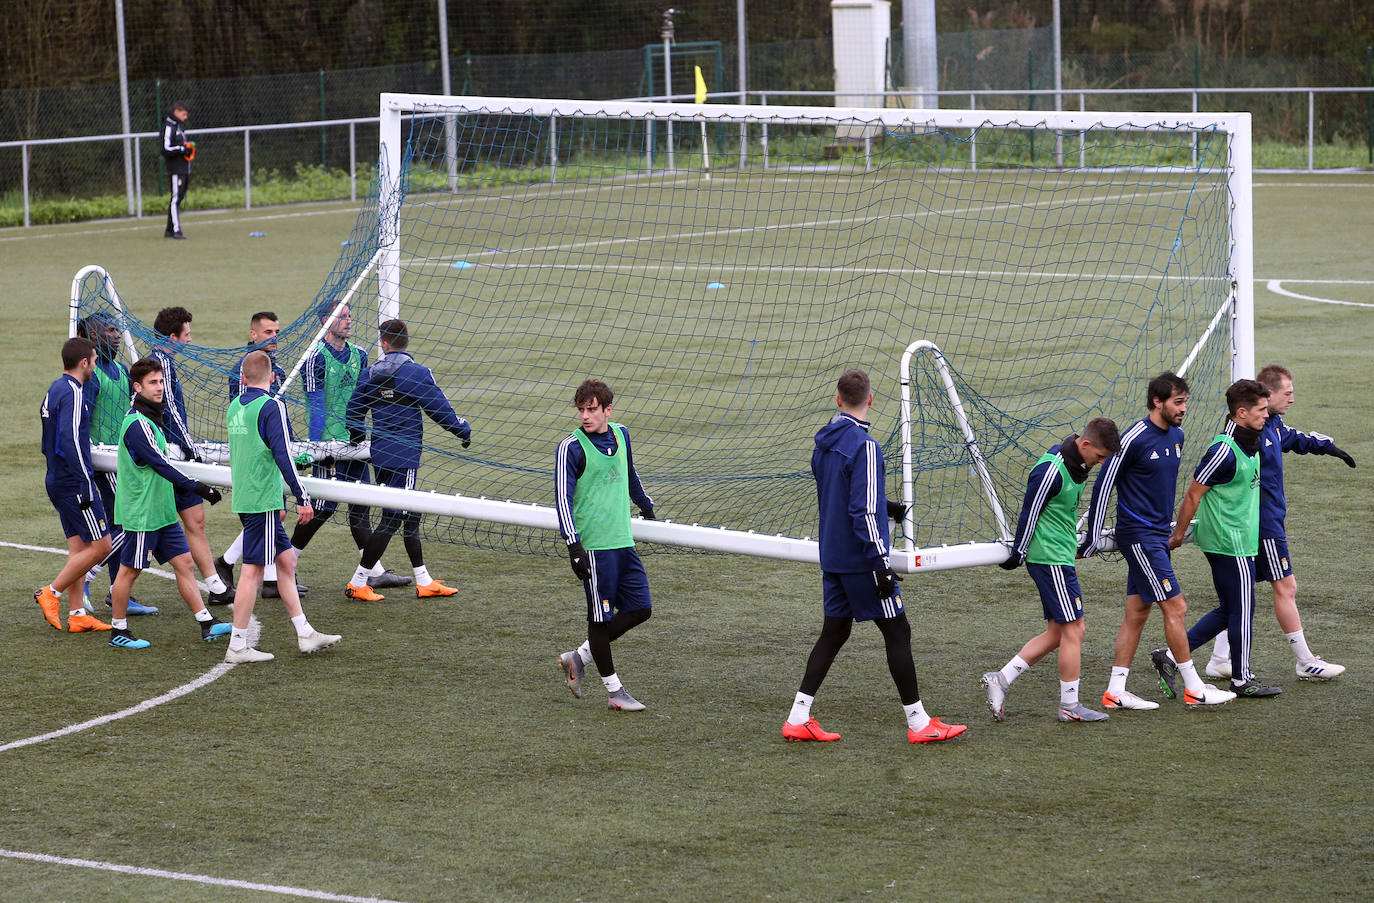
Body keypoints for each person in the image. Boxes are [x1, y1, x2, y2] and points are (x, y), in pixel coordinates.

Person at [781, 369, 966, 744]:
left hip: (832, 557)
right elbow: (861, 512)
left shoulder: (823, 444)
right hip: (860, 561)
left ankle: (798, 716)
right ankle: (918, 723)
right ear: (871, 400)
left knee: (834, 632)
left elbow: (841, 496)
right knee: (897, 631)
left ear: (837, 400)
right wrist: (881, 563)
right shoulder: (866, 447)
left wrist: (885, 506)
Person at [1080, 372, 1235, 708]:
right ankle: (1195, 689)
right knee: (1176, 606)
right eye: (1178, 403)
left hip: (1156, 536)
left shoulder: (1177, 435)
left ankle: (1115, 692)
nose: (1183, 409)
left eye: (1185, 403)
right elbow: (1104, 483)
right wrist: (1092, 536)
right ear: (1157, 401)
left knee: (1137, 611)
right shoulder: (1134, 437)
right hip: (1139, 537)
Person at [1204, 364, 1354, 682]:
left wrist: (1326, 447)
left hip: (1262, 521)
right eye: (1288, 393)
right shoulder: (1249, 433)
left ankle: (1217, 658)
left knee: (1237, 599)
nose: (1293, 399)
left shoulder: (1270, 423)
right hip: (1261, 523)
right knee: (1286, 587)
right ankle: (1305, 660)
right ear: (1268, 394)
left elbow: (1290, 438)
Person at [983, 418, 1121, 723]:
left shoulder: (1077, 465)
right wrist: (1019, 551)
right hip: (1049, 559)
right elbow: (1029, 511)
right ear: (1085, 445)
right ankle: (1069, 706)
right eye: (1099, 457)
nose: (1099, 464)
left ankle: (1000, 679)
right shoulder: (1051, 470)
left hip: (1060, 556)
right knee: (1075, 630)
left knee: (1059, 633)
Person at [1152, 379, 1282, 699]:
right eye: (1261, 410)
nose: (1267, 415)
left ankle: (1168, 656)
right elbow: (1193, 495)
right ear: (1241, 412)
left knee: (1230, 608)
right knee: (1243, 609)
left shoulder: (1250, 439)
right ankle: (1242, 678)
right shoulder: (1222, 451)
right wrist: (1178, 536)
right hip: (1228, 542)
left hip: (1241, 539)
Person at [222, 351, 340, 663]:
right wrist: (302, 497)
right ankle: (237, 645)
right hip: (263, 499)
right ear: (273, 377)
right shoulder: (271, 406)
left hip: (247, 496)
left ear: (243, 379)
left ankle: (305, 633)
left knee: (286, 561)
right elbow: (283, 455)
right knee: (252, 573)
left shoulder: (235, 406)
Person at [107, 357, 232, 649]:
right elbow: (161, 464)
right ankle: (118, 631)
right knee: (130, 571)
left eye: (161, 381)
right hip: (143, 515)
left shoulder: (150, 419)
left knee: (185, 563)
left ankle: (207, 624)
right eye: (152, 382)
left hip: (161, 512)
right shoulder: (137, 425)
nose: (159, 387)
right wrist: (200, 488)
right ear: (137, 387)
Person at [342, 319, 471, 600]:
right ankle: (358, 581)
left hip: (380, 455)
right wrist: (462, 430)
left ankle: (423, 580)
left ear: (384, 343)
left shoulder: (370, 374)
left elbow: (352, 411)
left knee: (410, 513)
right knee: (392, 519)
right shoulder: (416, 374)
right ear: (406, 341)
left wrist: (356, 435)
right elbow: (440, 410)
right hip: (405, 457)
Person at [287, 302, 410, 589]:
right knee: (322, 507)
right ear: (325, 321)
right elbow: (316, 407)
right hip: (328, 446)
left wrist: (362, 433)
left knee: (360, 506)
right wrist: (317, 447)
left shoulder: (360, 355)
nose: (348, 321)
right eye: (342, 317)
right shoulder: (314, 358)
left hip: (355, 442)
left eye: (350, 316)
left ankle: (374, 572)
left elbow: (363, 400)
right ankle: (286, 565)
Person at [554, 379, 657, 712]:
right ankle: (615, 692)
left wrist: (646, 506)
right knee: (599, 620)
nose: (585, 416)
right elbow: (562, 500)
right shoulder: (571, 448)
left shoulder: (622, 434)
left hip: (623, 542)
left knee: (641, 608)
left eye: (592, 409)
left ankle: (578, 658)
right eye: (581, 410)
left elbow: (630, 476)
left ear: (607, 410)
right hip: (594, 549)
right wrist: (574, 547)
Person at [216, 310, 306, 599]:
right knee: (271, 516)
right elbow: (248, 415)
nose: (274, 337)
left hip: (268, 452)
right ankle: (240, 569)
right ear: (253, 334)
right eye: (268, 332)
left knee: (275, 518)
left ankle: (262, 575)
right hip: (259, 460)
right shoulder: (246, 372)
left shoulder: (273, 368)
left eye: (277, 332)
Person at [151, 306, 235, 605]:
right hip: (172, 459)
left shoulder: (161, 361)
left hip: (174, 456)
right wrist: (193, 452)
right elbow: (170, 412)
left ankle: (216, 586)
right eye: (186, 335)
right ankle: (90, 581)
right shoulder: (160, 366)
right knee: (149, 531)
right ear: (172, 337)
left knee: (194, 520)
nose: (190, 340)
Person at [75, 315, 154, 615]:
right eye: (110, 330)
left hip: (121, 459)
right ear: (93, 336)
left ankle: (116, 593)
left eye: (117, 330)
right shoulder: (92, 377)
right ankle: (84, 582)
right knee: (128, 523)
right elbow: (81, 421)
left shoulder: (122, 371)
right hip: (101, 461)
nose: (117, 335)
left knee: (120, 523)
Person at [35, 337, 113, 633]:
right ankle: (50, 592)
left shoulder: (55, 389)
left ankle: (78, 613)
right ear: (84, 363)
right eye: (93, 360)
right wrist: (85, 482)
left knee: (79, 547)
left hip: (57, 477)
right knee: (102, 544)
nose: (95, 365)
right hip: (74, 482)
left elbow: (49, 441)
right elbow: (69, 440)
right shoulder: (74, 392)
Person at [161, 100, 193, 239]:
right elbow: (165, 148)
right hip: (175, 169)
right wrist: (181, 149)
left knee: (179, 198)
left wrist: (187, 149)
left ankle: (169, 230)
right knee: (175, 199)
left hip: (183, 168)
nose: (185, 117)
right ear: (176, 112)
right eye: (184, 114)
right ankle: (176, 230)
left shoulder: (179, 126)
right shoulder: (169, 126)